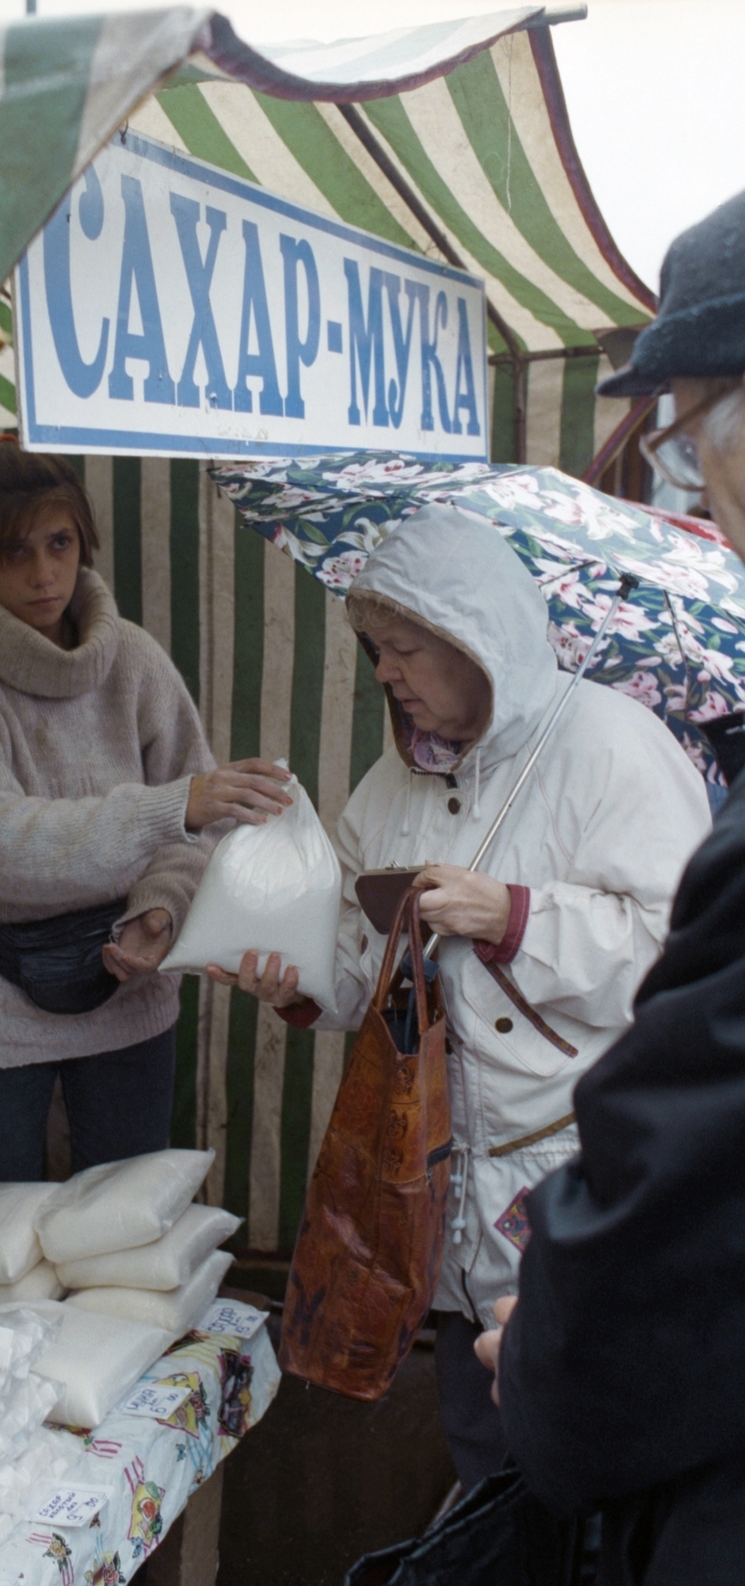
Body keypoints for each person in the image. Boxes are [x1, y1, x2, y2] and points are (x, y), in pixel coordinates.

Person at [209, 503, 711, 1493]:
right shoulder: (389, 787)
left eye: (405, 649)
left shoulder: (615, 748)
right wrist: (297, 981)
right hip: (436, 1168)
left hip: (571, 1164)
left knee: (583, 1443)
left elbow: (682, 954)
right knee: (476, 1435)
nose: (386, 673)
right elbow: (364, 969)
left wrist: (514, 912)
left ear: (479, 642)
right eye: (376, 650)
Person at [477, 189, 745, 1584]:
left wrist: (559, 1347)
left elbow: (683, 1064)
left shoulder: (622, 743)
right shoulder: (405, 777)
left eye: (694, 433)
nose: (694, 481)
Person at [0, 441, 289, 1191]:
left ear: (84, 542)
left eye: (60, 542)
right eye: (14, 550)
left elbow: (195, 833)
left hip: (128, 992)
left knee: (126, 1235)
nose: (43, 573)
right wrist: (174, 806)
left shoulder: (134, 660)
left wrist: (159, 912)